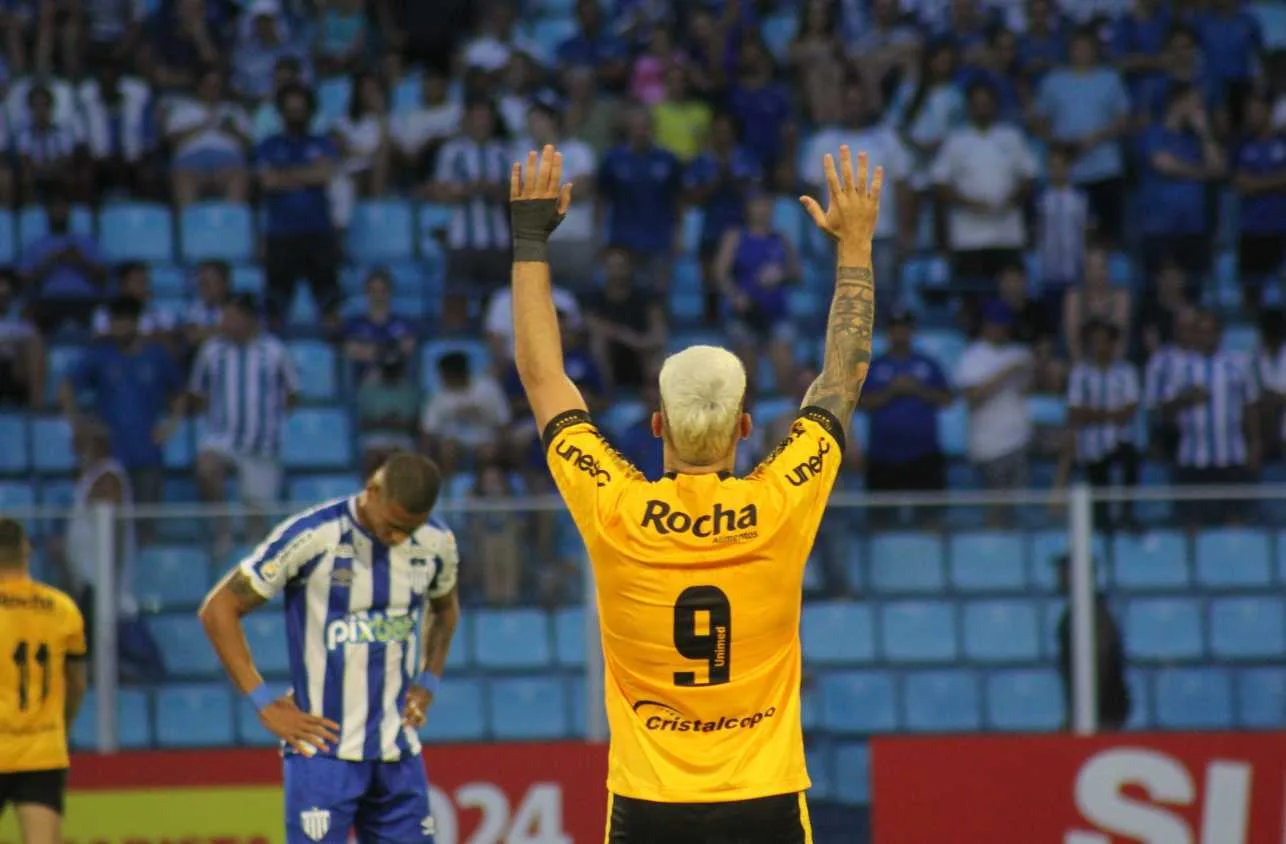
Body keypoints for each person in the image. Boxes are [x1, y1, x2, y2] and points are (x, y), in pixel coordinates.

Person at [507, 143, 880, 841]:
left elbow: (542, 378)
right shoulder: (781, 503)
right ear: (745, 427)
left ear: (657, 426)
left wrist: (530, 239)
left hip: (651, 803)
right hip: (763, 797)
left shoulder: (615, 509)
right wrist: (854, 242)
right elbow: (842, 376)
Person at [198, 453, 458, 844]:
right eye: (392, 527)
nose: (399, 539)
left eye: (410, 529)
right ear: (372, 491)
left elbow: (445, 609)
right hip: (322, 752)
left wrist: (429, 680)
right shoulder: (314, 535)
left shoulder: (437, 542)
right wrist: (263, 702)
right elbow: (219, 609)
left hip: (398, 750)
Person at [190, 293, 299, 556]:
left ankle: (253, 566)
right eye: (224, 317)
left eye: (232, 317)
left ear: (249, 319)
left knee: (257, 521)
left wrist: (271, 419)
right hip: (221, 438)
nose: (225, 323)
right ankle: (222, 530)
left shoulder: (274, 351)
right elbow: (197, 391)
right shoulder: (212, 352)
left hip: (261, 444)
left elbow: (293, 392)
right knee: (206, 467)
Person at [0, 518, 88, 844]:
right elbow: (77, 683)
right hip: (42, 748)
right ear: (27, 550)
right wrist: (61, 725)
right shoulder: (61, 608)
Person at [1065, 320, 1141, 530]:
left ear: (1113, 344)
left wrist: (1094, 414)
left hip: (1120, 443)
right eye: (1094, 342)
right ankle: (1103, 529)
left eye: (1104, 342)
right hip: (1091, 449)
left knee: (1131, 461)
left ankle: (1127, 514)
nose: (1100, 347)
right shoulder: (1080, 374)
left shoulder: (1127, 372)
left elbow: (1128, 412)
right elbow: (1075, 412)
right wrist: (1111, 414)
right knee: (1098, 497)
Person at [1053, 554, 1131, 732]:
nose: (1057, 578)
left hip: (1102, 711)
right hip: (1099, 709)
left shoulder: (1091, 614)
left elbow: (1098, 660)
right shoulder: (1082, 611)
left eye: (1063, 572)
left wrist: (1083, 710)